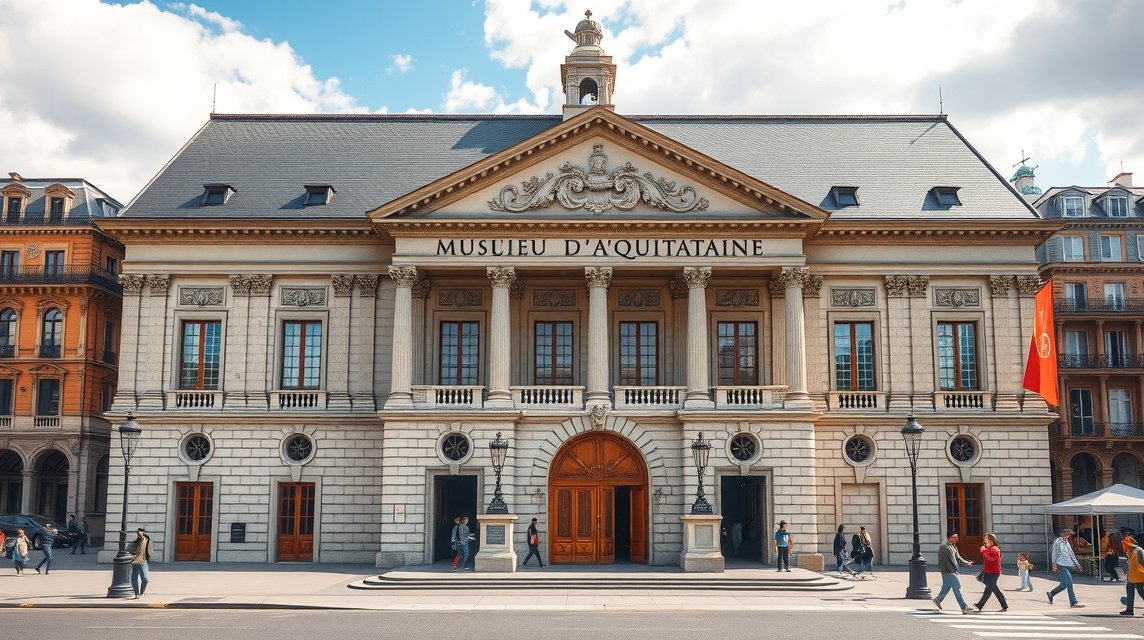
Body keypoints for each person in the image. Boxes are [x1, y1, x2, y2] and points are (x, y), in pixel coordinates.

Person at [933, 531, 975, 614]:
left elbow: (958, 557)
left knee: (946, 588)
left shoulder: (954, 547)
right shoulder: (944, 548)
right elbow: (943, 561)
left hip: (952, 571)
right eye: (955, 537)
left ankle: (938, 600)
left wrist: (966, 562)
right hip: (948, 571)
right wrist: (950, 571)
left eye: (957, 537)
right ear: (949, 538)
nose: (957, 539)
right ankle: (964, 607)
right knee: (957, 587)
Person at [1048, 529, 1084, 608]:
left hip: (1068, 564)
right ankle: (1073, 602)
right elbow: (1054, 554)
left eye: (1069, 535)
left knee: (1065, 584)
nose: (1068, 537)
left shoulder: (1067, 543)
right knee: (1069, 582)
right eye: (1068, 535)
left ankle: (1051, 593)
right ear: (1063, 534)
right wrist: (1054, 565)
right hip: (1060, 565)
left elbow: (1071, 554)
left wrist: (1077, 564)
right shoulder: (1057, 542)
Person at [974, 533, 1008, 612]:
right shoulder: (989, 548)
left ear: (991, 540)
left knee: (993, 588)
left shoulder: (995, 549)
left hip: (993, 572)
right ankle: (980, 605)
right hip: (989, 571)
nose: (984, 539)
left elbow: (990, 558)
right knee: (988, 590)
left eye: (986, 538)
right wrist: (984, 550)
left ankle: (1004, 604)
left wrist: (983, 551)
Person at [1121, 536, 1144, 617]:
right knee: (1129, 593)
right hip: (1131, 577)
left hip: (1139, 576)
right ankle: (1129, 610)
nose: (1123, 546)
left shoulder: (1139, 551)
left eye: (1124, 544)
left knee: (1141, 592)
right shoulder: (1129, 552)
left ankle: (1129, 610)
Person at [129, 528, 151, 599]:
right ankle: (136, 593)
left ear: (144, 533)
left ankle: (142, 592)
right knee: (134, 578)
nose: (139, 534)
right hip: (135, 562)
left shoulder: (147, 541)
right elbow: (129, 549)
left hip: (143, 561)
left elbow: (150, 549)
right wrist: (132, 556)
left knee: (145, 579)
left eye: (141, 532)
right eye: (138, 533)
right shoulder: (135, 542)